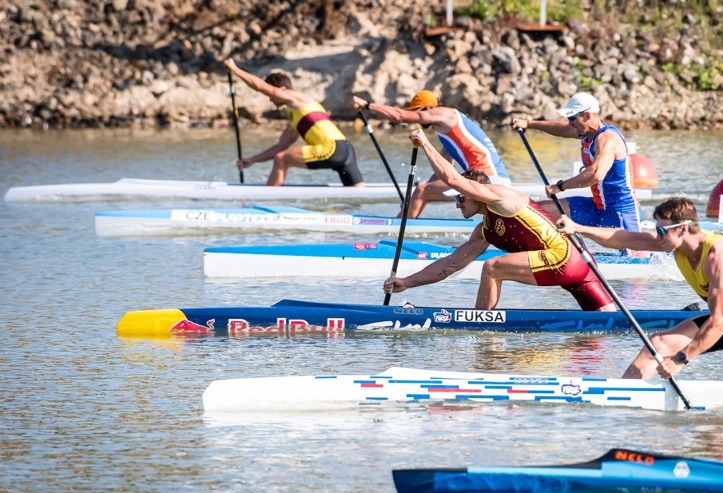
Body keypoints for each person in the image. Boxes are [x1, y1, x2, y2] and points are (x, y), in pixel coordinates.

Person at [383, 128, 616, 312]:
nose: (458, 204)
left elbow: (453, 178)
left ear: (476, 192)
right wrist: (407, 282)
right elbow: (450, 265)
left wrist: (425, 144)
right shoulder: (485, 230)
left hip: (565, 259)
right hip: (580, 263)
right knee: (606, 326)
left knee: (493, 267)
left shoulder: (503, 197)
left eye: (461, 198)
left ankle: (482, 328)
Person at [556, 197, 723, 382]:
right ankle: (623, 397)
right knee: (657, 345)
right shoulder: (674, 244)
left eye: (663, 231)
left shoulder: (718, 256)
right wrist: (577, 228)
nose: (658, 237)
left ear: (683, 228)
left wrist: (680, 359)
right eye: (657, 231)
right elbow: (620, 238)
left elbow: (719, 323)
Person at [353, 90, 510, 218]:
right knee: (422, 191)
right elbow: (443, 170)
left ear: (428, 109)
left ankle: (396, 233)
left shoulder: (447, 114)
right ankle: (405, 221)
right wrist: (414, 197)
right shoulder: (449, 134)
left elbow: (399, 116)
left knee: (422, 191)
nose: (416, 118)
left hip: (489, 179)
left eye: (416, 112)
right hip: (494, 180)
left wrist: (367, 105)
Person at [511, 92, 640, 233]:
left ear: (588, 115)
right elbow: (562, 129)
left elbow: (596, 174)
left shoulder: (608, 139)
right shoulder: (585, 132)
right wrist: (529, 124)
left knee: (632, 256)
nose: (570, 123)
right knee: (537, 211)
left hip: (620, 211)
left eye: (572, 118)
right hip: (596, 207)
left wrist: (560, 186)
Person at [225, 58, 364, 187]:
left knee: (282, 159)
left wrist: (235, 69)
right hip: (345, 150)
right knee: (357, 195)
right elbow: (280, 147)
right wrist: (253, 159)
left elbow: (260, 86)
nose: (270, 99)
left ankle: (269, 204)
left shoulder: (296, 98)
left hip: (331, 149)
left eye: (271, 95)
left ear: (282, 90)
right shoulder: (298, 115)